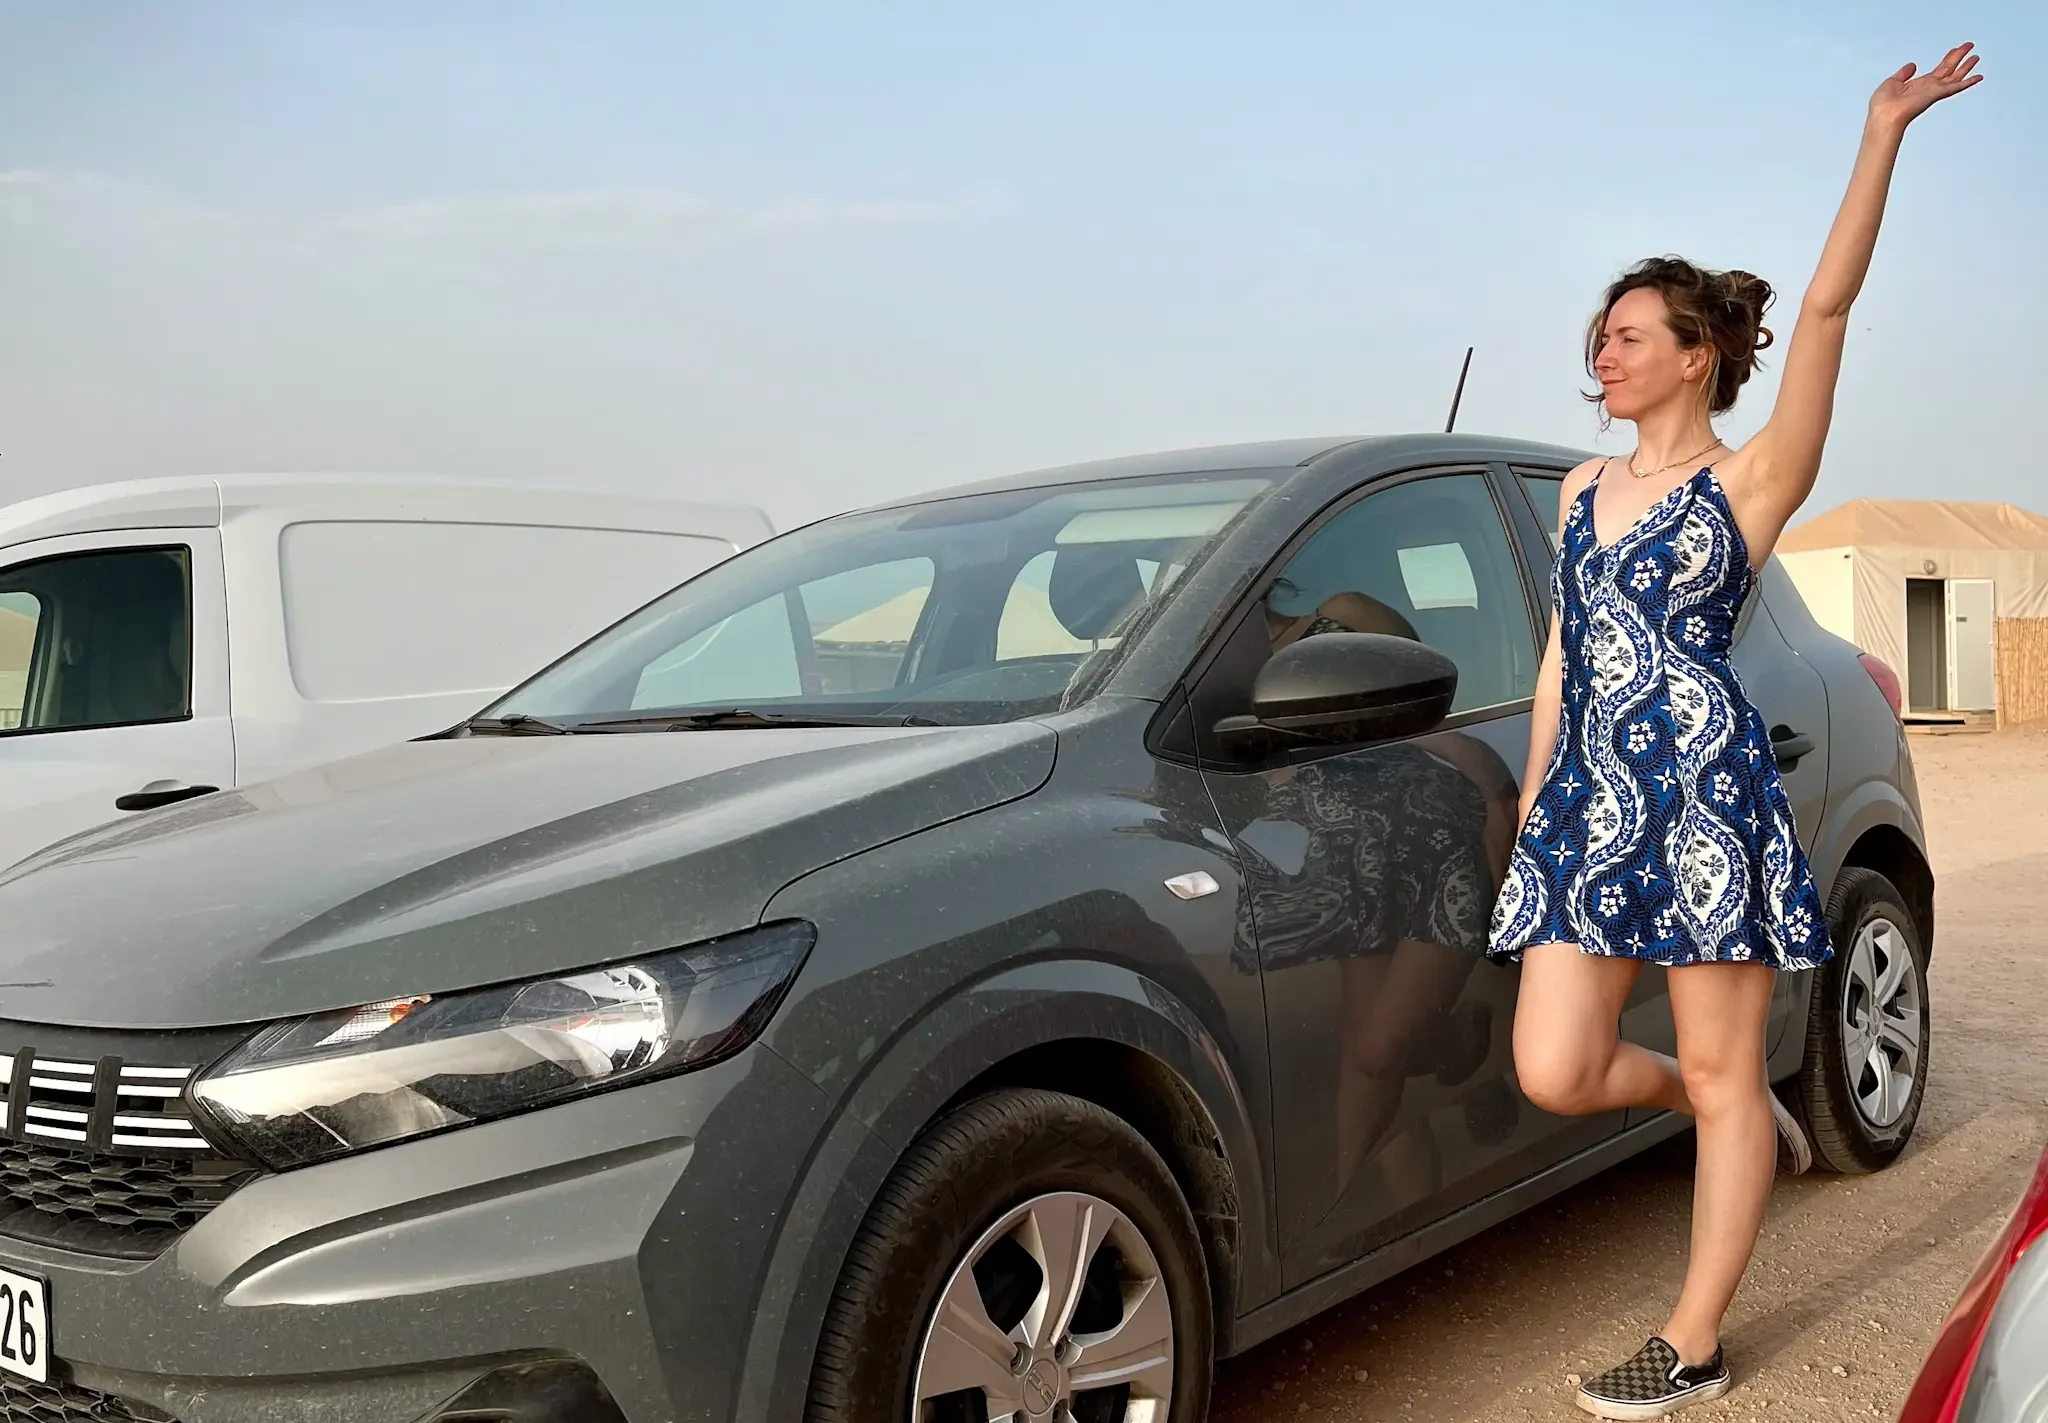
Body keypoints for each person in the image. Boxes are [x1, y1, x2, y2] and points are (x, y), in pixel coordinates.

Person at [1486, 44, 1983, 1419]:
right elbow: (1557, 659)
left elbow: (1824, 308)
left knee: (1718, 1056)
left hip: (1705, 797)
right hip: (1590, 801)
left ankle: (1693, 1336)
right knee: (1559, 1062)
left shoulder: (1754, 477)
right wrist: (1537, 793)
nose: (1606, 347)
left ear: (1696, 356)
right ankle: (1737, 1115)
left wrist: (1882, 133)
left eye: (1632, 331)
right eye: (1602, 331)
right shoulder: (1581, 489)